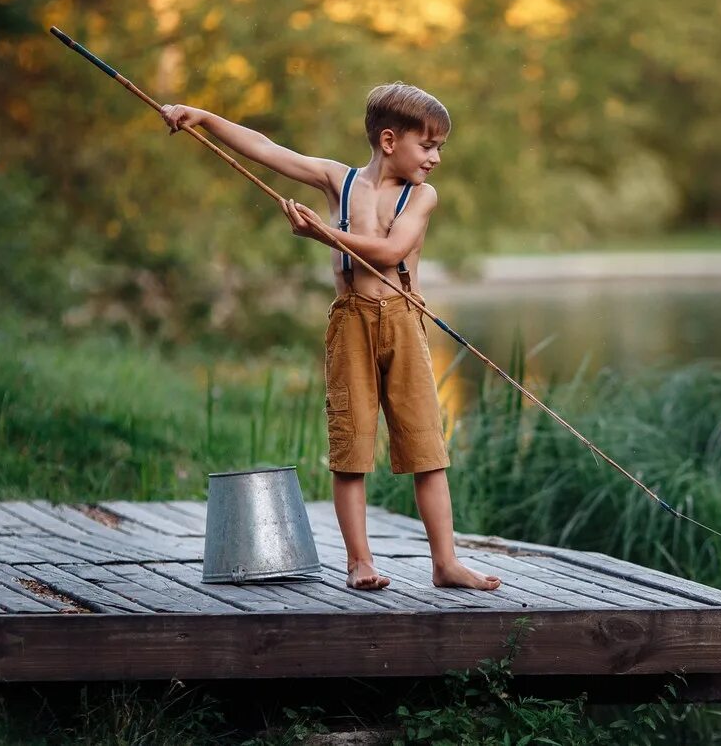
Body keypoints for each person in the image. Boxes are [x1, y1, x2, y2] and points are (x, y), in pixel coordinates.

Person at [160, 83, 500, 593]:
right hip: (350, 323)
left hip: (404, 322)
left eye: (438, 148)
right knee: (351, 448)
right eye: (427, 145)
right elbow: (267, 149)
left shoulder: (422, 196)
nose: (434, 158)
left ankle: (445, 563)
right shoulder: (337, 181)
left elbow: (390, 253)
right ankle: (358, 562)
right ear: (389, 141)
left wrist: (325, 235)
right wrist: (203, 117)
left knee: (427, 448)